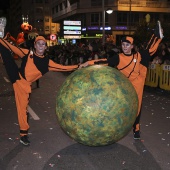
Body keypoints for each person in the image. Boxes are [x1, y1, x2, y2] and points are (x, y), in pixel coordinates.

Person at [0, 17, 80, 146]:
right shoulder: (27, 53)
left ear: (45, 47)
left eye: (43, 44)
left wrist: (77, 66)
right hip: (16, 75)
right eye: (39, 44)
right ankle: (0, 32)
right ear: (35, 46)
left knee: (22, 110)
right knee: (6, 51)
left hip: (24, 86)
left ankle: (23, 135)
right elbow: (11, 47)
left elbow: (63, 67)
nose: (41, 46)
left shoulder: (48, 63)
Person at [80, 21, 164, 140]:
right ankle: (116, 125)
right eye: (123, 44)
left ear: (132, 46)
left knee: (137, 106)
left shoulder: (138, 55)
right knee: (121, 106)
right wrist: (88, 63)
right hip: (125, 85)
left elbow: (148, 52)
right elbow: (105, 61)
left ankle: (136, 128)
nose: (125, 47)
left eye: (127, 44)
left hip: (138, 81)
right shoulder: (119, 57)